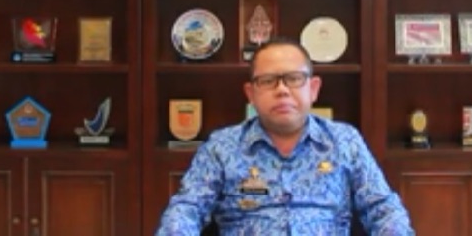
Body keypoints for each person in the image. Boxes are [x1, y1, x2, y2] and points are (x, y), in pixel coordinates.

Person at [156, 37, 415, 235]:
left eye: (294, 78)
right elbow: (186, 209)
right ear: (251, 93)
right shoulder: (221, 148)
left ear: (313, 89)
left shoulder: (345, 141)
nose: (282, 90)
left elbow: (383, 208)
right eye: (268, 80)